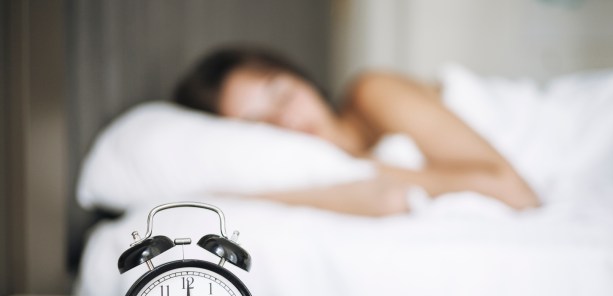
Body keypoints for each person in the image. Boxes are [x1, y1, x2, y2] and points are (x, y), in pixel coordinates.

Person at [173, 46, 540, 216]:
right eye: (258, 124)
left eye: (283, 94)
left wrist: (358, 164)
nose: (286, 120)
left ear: (304, 79)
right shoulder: (318, 176)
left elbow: (515, 191)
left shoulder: (371, 92)